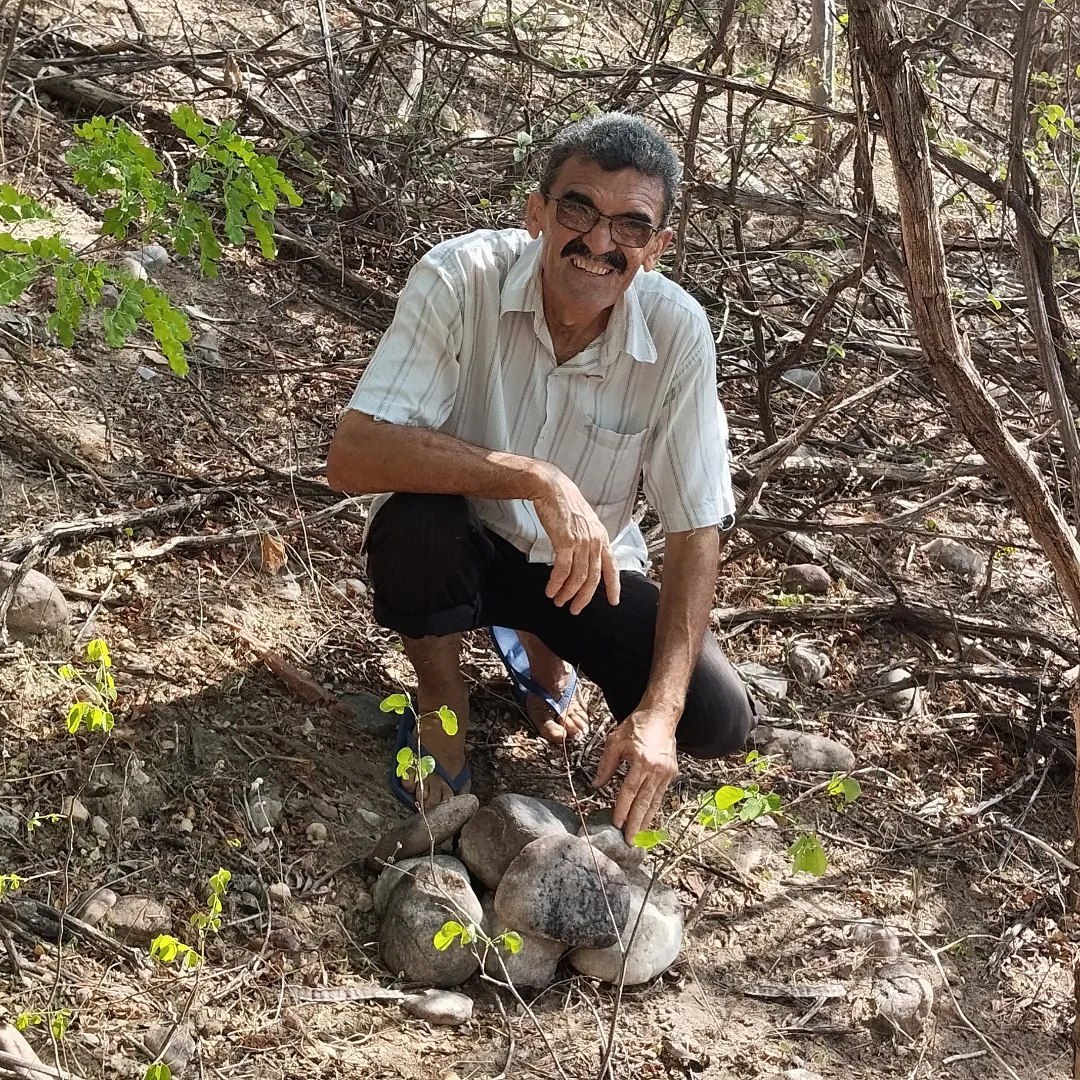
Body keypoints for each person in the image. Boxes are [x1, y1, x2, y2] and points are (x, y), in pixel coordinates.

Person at [326, 112, 756, 841]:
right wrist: (537, 478)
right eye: (579, 209)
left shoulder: (678, 332)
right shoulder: (461, 276)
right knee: (417, 526)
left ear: (657, 247)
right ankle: (443, 706)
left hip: (579, 570)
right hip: (461, 540)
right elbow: (354, 455)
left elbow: (695, 527)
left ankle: (538, 647)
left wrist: (659, 712)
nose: (598, 242)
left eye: (630, 225)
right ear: (537, 212)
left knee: (715, 718)